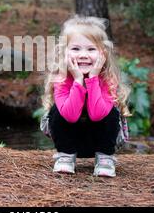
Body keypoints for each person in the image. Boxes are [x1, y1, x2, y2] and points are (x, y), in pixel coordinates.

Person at [41, 15, 130, 177]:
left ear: (103, 53)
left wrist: (93, 79)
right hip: (70, 141)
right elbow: (69, 115)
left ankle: (104, 159)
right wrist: (77, 80)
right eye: (75, 49)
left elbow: (98, 115)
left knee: (111, 112)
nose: (83, 55)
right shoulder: (61, 78)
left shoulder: (107, 79)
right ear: (64, 53)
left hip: (100, 141)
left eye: (91, 49)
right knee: (57, 111)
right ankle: (66, 156)